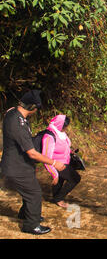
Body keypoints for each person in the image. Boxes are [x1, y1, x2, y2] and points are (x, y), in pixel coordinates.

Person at [0, 90, 65, 235]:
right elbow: (32, 153)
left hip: (20, 165)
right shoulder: (19, 124)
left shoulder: (12, 113)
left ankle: (27, 214)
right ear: (32, 108)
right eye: (37, 108)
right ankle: (31, 225)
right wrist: (54, 163)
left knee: (28, 192)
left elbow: (9, 110)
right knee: (34, 193)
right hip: (16, 167)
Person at [42, 115, 81, 208]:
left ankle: (56, 197)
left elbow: (62, 146)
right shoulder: (49, 136)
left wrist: (71, 152)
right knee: (75, 178)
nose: (66, 128)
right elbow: (45, 157)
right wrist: (53, 173)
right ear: (60, 125)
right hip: (57, 164)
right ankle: (59, 198)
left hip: (64, 161)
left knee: (60, 181)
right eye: (65, 126)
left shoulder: (61, 133)